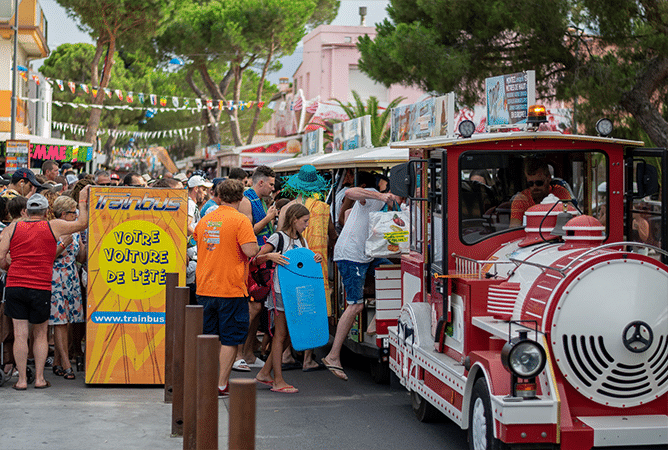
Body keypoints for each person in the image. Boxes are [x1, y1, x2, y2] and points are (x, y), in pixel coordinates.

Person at [0, 187, 90, 390]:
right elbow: (82, 224)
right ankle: (40, 378)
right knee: (41, 334)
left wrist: (10, 267)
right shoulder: (53, 226)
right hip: (40, 285)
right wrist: (82, 200)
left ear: (27, 211)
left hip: (15, 285)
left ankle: (21, 380)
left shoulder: (12, 228)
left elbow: (0, 257)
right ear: (46, 210)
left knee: (20, 334)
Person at [322, 181, 398, 381]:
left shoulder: (390, 207)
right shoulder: (373, 196)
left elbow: (349, 217)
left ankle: (376, 320)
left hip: (367, 254)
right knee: (355, 306)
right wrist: (379, 197)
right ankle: (333, 355)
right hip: (351, 255)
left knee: (395, 275)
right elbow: (349, 192)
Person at [193, 179, 259, 397]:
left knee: (210, 338)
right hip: (230, 288)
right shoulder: (240, 221)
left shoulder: (205, 220)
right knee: (230, 339)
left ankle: (206, 380)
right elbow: (250, 251)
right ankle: (221, 384)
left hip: (204, 287)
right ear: (241, 198)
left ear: (219, 196)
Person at [254, 204, 322, 393]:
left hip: (297, 292)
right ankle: (278, 381)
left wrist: (315, 258)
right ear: (294, 220)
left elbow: (304, 263)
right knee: (281, 334)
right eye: (305, 221)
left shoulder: (302, 240)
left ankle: (265, 373)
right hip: (280, 291)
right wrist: (270, 256)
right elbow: (256, 258)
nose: (307, 225)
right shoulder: (278, 237)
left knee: (290, 334)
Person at [278, 165, 338, 371]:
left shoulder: (287, 208)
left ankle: (287, 354)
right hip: (314, 263)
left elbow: (280, 236)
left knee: (291, 307)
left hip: (289, 264)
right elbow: (332, 236)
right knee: (312, 306)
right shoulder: (323, 208)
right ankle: (308, 359)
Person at [236, 166, 277, 370]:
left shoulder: (259, 200)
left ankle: (249, 352)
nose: (272, 188)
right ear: (260, 182)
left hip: (261, 261)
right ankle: (239, 353)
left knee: (258, 308)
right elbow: (247, 231)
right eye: (270, 184)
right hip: (251, 262)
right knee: (252, 309)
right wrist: (269, 218)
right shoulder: (246, 201)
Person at [49, 196, 86, 381]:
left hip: (71, 276)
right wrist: (64, 243)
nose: (76, 216)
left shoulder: (75, 231)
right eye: (74, 213)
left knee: (69, 321)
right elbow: (49, 256)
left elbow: (80, 257)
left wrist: (83, 247)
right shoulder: (52, 229)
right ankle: (66, 363)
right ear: (64, 214)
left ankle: (57, 362)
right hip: (56, 277)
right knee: (60, 322)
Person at [509, 160, 571, 228]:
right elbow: (514, 227)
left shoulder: (561, 193)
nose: (534, 187)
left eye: (539, 183)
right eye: (530, 184)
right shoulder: (521, 199)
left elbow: (571, 219)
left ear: (548, 179)